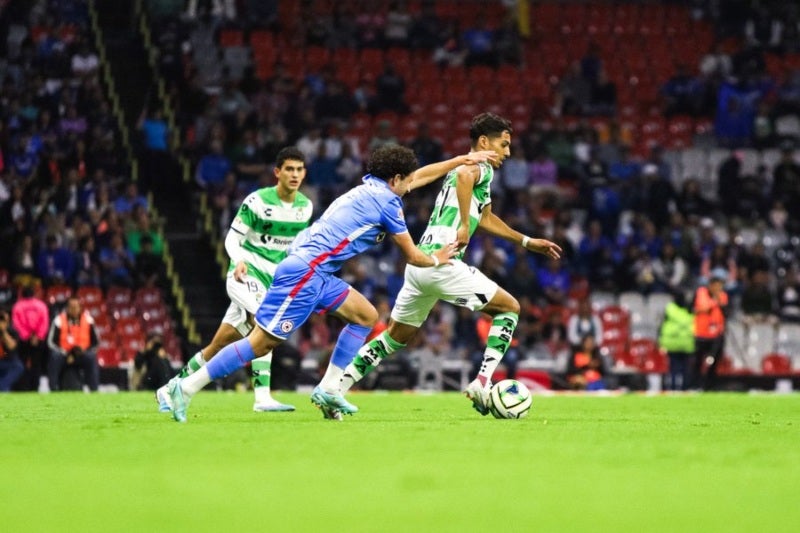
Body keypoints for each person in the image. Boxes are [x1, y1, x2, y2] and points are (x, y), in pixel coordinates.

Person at [164, 144, 496, 422]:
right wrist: (440, 256)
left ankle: (328, 389)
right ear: (395, 179)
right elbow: (412, 255)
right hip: (304, 272)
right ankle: (186, 387)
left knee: (365, 315)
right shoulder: (388, 203)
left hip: (318, 272)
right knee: (260, 344)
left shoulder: (370, 186)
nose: (412, 183)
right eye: (406, 179)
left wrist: (461, 160)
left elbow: (420, 176)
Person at [334, 113, 562, 416]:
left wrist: (525, 241)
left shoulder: (462, 167)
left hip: (420, 265)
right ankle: (482, 381)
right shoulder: (478, 167)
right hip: (444, 261)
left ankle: (335, 388)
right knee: (509, 309)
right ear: (484, 142)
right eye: (504, 145)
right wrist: (465, 224)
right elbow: (468, 184)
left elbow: (488, 216)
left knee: (394, 336)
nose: (508, 153)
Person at [157, 147, 314, 413]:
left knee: (218, 344)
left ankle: (170, 388)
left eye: (299, 169)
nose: (295, 174)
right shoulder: (257, 201)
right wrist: (239, 259)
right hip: (245, 273)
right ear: (277, 173)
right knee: (266, 324)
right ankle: (262, 397)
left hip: (272, 282)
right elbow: (232, 237)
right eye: (289, 169)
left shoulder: (305, 207)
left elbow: (294, 248)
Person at [46, 295, 100, 392]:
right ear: (67, 308)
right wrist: (66, 353)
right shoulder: (58, 320)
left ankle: (94, 389)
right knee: (54, 356)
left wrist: (80, 353)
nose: (74, 309)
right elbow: (51, 342)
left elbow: (96, 343)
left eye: (76, 307)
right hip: (64, 355)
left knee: (91, 357)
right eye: (71, 307)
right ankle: (53, 389)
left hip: (82, 354)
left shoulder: (88, 320)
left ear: (80, 308)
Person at [692, 268, 729, 391]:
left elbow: (725, 312)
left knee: (713, 362)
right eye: (717, 286)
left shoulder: (723, 296)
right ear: (711, 285)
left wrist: (718, 301)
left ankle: (710, 386)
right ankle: (695, 385)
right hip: (701, 334)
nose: (719, 289)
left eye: (721, 286)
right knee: (697, 362)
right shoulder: (701, 292)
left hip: (716, 335)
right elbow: (702, 308)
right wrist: (714, 302)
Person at [11, 285, 50, 391]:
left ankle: (23, 387)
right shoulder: (41, 305)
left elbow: (16, 324)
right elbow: (44, 323)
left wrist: (27, 336)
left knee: (22, 363)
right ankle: (35, 387)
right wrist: (37, 336)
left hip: (23, 340)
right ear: (34, 294)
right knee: (36, 364)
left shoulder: (17, 306)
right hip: (38, 340)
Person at [658, 291, 695, 391]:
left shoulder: (670, 309)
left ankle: (673, 388)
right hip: (687, 343)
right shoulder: (690, 311)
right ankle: (685, 388)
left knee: (673, 367)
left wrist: (661, 341)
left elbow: (662, 326)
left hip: (672, 342)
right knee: (685, 368)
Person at [0, 308, 24, 392]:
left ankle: (1, 387)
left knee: (18, 366)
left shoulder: (12, 331)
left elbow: (12, 346)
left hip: (8, 362)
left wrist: (3, 332)